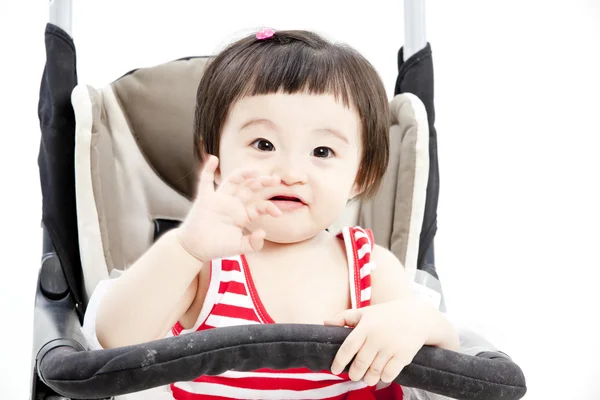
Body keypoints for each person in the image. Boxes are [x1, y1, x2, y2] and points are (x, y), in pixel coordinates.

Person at [86, 28, 459, 399]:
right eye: (263, 144)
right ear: (213, 160)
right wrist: (185, 249)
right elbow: (115, 342)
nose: (290, 173)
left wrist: (417, 322)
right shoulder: (205, 268)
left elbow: (446, 356)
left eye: (322, 152)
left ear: (361, 175)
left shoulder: (369, 270)